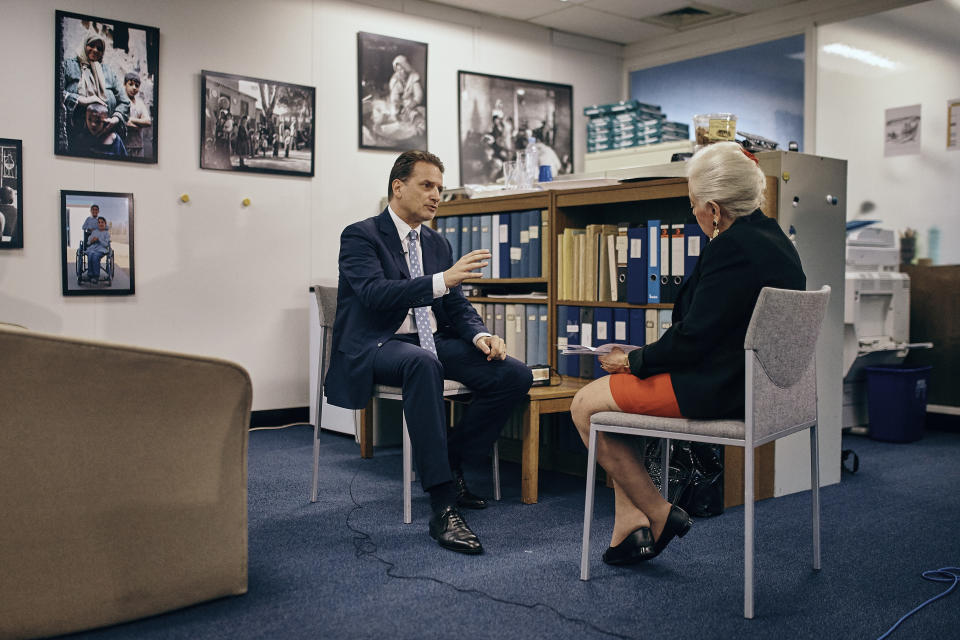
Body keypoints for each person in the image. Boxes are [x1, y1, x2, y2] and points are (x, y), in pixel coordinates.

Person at [568, 141, 806, 567]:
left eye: (694, 204)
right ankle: (627, 525)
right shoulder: (777, 240)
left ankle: (660, 514)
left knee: (586, 405)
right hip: (761, 385)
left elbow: (694, 336)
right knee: (615, 408)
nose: (693, 213)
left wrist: (633, 360)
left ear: (713, 209)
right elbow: (717, 329)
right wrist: (646, 359)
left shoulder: (730, 248)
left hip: (718, 389)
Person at [326, 150, 533, 555]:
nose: (437, 195)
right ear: (397, 187)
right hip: (378, 342)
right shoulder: (360, 235)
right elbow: (374, 294)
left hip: (430, 340)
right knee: (423, 364)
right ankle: (442, 505)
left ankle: (447, 461)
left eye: (440, 187)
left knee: (514, 375)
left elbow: (456, 306)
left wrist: (480, 336)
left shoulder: (437, 242)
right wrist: (441, 280)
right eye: (427, 185)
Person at [60, 33, 129, 154]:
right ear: (84, 45)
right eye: (91, 45)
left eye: (100, 48)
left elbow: (124, 102)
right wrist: (81, 100)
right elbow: (58, 93)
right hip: (77, 137)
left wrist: (115, 119)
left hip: (105, 139)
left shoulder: (108, 72)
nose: (95, 50)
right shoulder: (68, 66)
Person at [123, 71, 152, 158]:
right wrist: (139, 124)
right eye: (130, 84)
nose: (134, 88)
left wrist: (131, 119)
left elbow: (147, 121)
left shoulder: (140, 103)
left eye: (137, 85)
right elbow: (124, 123)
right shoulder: (122, 100)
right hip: (125, 145)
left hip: (138, 145)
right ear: (125, 84)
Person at [85, 216, 111, 282]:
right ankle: (90, 275)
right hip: (92, 248)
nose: (100, 224)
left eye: (102, 222)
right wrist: (91, 241)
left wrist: (99, 239)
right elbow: (88, 243)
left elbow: (106, 244)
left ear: (105, 224)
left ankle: (96, 276)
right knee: (90, 254)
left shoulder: (106, 233)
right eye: (99, 222)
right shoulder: (94, 232)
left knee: (95, 256)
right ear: (97, 224)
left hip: (101, 249)